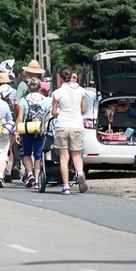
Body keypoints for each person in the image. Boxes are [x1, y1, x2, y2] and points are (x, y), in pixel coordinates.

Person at [51, 66, 88, 195]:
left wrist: (60, 113)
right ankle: (79, 173)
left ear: (61, 77)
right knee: (77, 155)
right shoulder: (81, 91)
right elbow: (83, 110)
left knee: (63, 156)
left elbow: (54, 112)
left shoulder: (58, 92)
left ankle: (66, 186)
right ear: (71, 75)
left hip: (62, 124)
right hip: (76, 124)